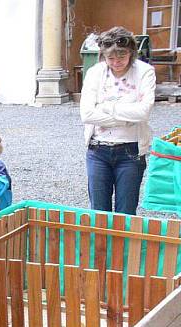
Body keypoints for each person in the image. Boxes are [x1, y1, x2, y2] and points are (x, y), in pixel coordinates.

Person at [80, 26, 156, 215]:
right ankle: (101, 246)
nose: (116, 62)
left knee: (126, 212)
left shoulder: (145, 72)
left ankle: (122, 246)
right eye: (110, 58)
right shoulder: (95, 73)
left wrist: (107, 107)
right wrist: (126, 116)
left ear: (131, 53)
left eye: (121, 57)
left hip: (130, 151)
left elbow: (143, 112)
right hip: (97, 150)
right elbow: (87, 114)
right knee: (99, 211)